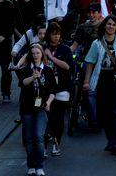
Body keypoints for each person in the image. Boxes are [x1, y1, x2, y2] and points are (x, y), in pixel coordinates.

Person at [83, 15, 116, 155]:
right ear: (104, 26)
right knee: (104, 113)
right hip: (101, 80)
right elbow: (90, 62)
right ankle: (110, 139)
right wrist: (87, 82)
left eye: (113, 24)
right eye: (109, 24)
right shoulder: (97, 43)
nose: (111, 26)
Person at [18, 44, 56, 176]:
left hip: (41, 107)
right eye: (33, 53)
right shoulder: (25, 70)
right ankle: (31, 165)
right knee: (28, 139)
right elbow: (22, 83)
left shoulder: (48, 70)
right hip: (27, 108)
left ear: (42, 55)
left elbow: (52, 90)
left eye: (37, 53)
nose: (35, 55)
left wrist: (49, 102)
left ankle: (39, 165)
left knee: (39, 137)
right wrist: (33, 77)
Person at [43, 22, 73, 157]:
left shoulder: (65, 49)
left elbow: (67, 67)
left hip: (62, 87)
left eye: (58, 34)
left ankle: (57, 143)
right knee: (48, 117)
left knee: (59, 117)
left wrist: (51, 57)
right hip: (47, 89)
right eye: (54, 34)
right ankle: (45, 142)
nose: (56, 37)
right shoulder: (43, 48)